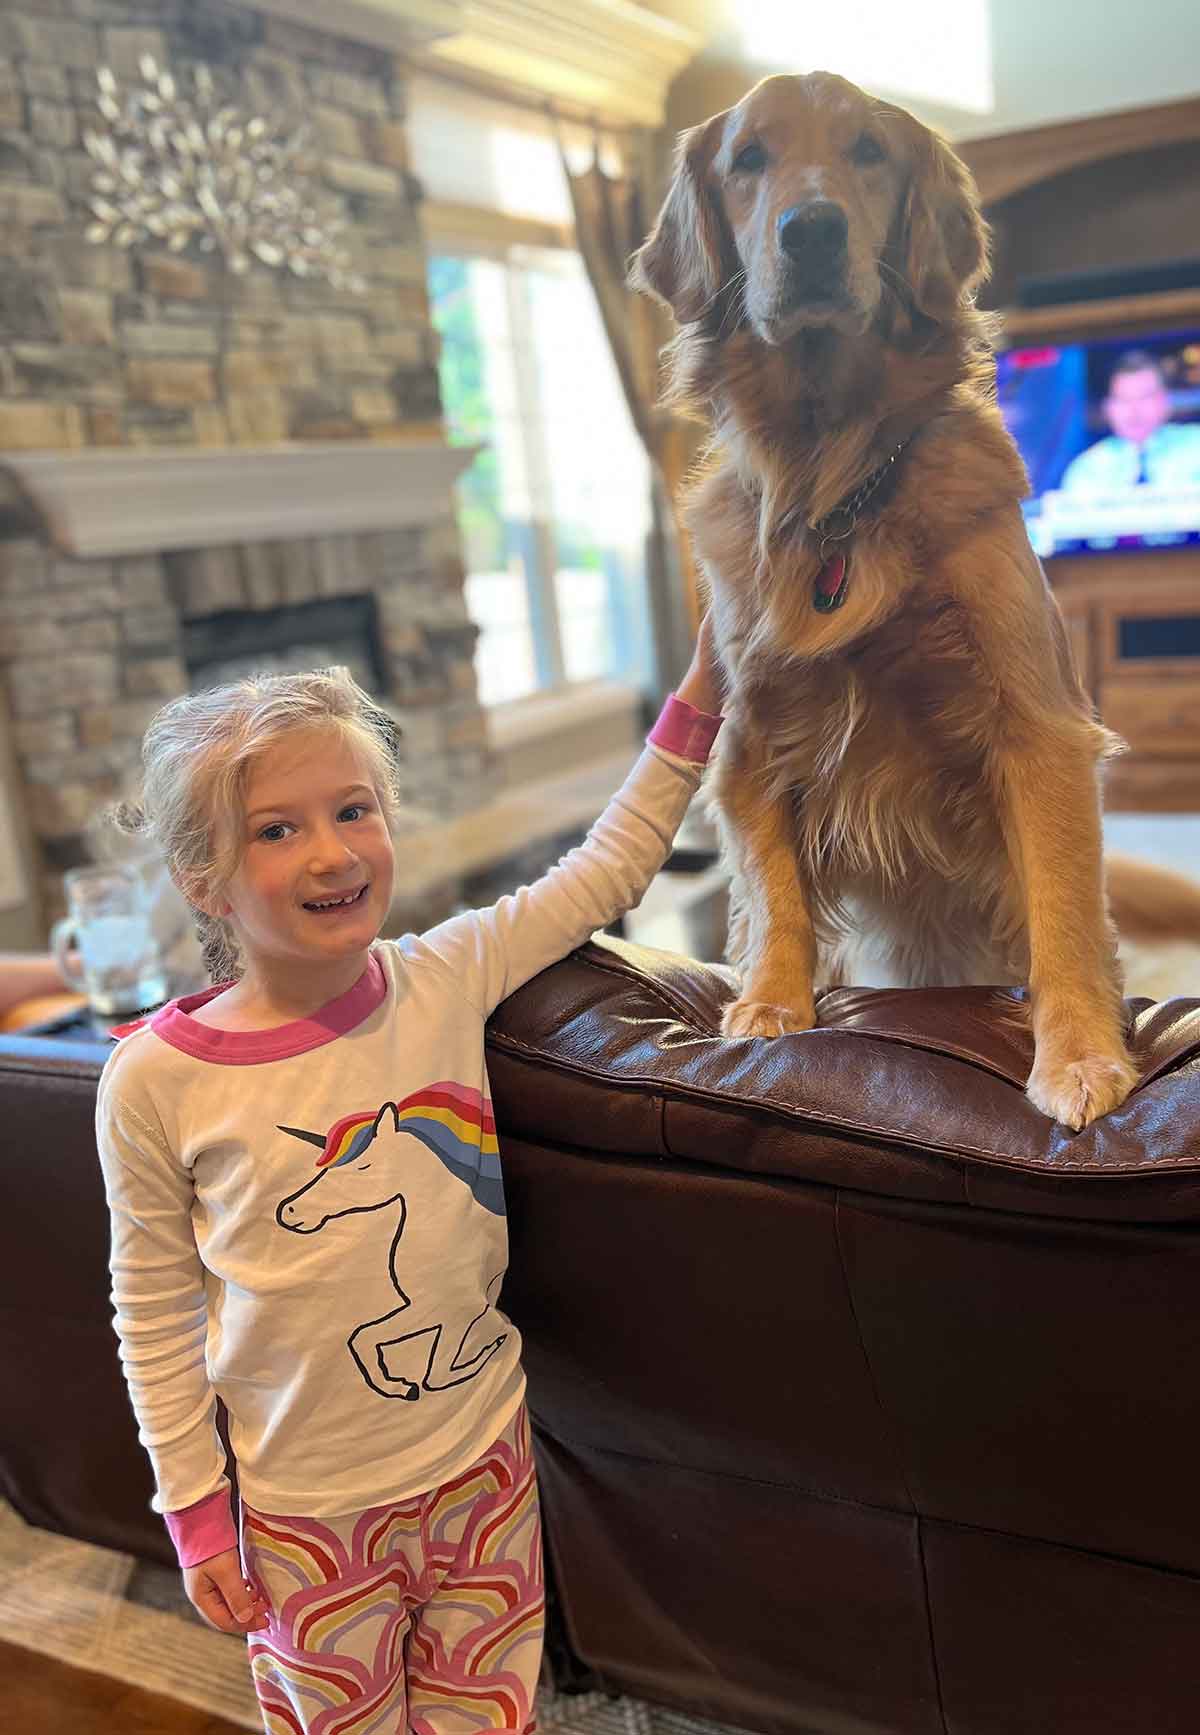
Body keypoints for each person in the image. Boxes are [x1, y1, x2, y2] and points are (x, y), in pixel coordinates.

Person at [95, 636, 723, 1735]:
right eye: (277, 829)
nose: (333, 852)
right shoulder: (155, 1080)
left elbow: (611, 867)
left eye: (354, 809)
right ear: (203, 880)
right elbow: (151, 1313)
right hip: (305, 1516)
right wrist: (194, 1508)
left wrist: (704, 696)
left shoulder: (446, 973)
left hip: (483, 1462)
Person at [1060, 349, 1200, 494]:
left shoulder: (1196, 446)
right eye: (1123, 399)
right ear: (1108, 408)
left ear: (1164, 402)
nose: (1134, 410)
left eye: (1144, 397)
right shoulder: (1087, 469)